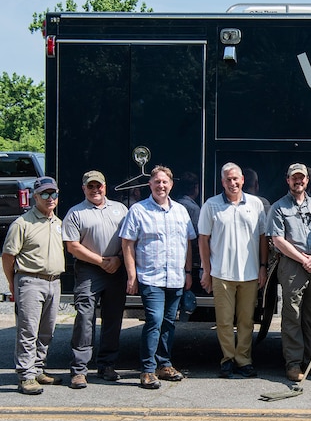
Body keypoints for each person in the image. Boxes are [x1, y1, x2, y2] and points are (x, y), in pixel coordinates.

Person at [120, 165, 195, 390]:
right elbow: (127, 244)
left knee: (169, 323)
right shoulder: (138, 211)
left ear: (171, 185)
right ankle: (147, 369)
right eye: (157, 182)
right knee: (154, 321)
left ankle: (164, 364)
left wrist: (188, 272)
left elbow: (188, 243)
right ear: (149, 185)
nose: (161, 186)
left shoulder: (181, 211)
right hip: (150, 278)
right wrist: (132, 275)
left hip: (175, 278)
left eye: (165, 182)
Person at [199, 162, 268, 379]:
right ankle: (227, 359)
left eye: (235, 178)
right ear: (222, 182)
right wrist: (206, 270)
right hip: (221, 274)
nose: (232, 183)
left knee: (246, 321)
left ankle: (243, 361)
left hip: (250, 274)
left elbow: (263, 238)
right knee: (225, 321)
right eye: (228, 179)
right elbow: (203, 239)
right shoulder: (211, 205)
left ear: (243, 180)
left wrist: (263, 267)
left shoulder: (256, 205)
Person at [62, 170, 128, 389]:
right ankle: (79, 370)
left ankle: (107, 365)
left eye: (98, 185)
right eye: (90, 186)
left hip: (117, 269)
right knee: (84, 318)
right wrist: (101, 261)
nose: (95, 189)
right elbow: (72, 246)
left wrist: (118, 259)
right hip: (89, 270)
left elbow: (129, 240)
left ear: (105, 186)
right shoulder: (75, 213)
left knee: (113, 318)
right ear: (84, 189)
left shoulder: (120, 209)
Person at [268, 162, 311, 382]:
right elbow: (277, 239)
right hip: (293, 266)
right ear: (288, 180)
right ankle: (293, 364)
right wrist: (304, 259)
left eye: (301, 177)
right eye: (294, 177)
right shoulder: (278, 207)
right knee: (292, 316)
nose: (298, 181)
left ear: (307, 180)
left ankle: (309, 362)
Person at [2, 176, 65, 395]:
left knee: (47, 330)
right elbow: (8, 256)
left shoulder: (57, 223)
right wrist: (13, 283)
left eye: (53, 194)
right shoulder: (22, 223)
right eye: (45, 194)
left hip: (53, 282)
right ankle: (26, 376)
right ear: (35, 196)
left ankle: (38, 368)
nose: (50, 198)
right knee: (28, 330)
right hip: (30, 280)